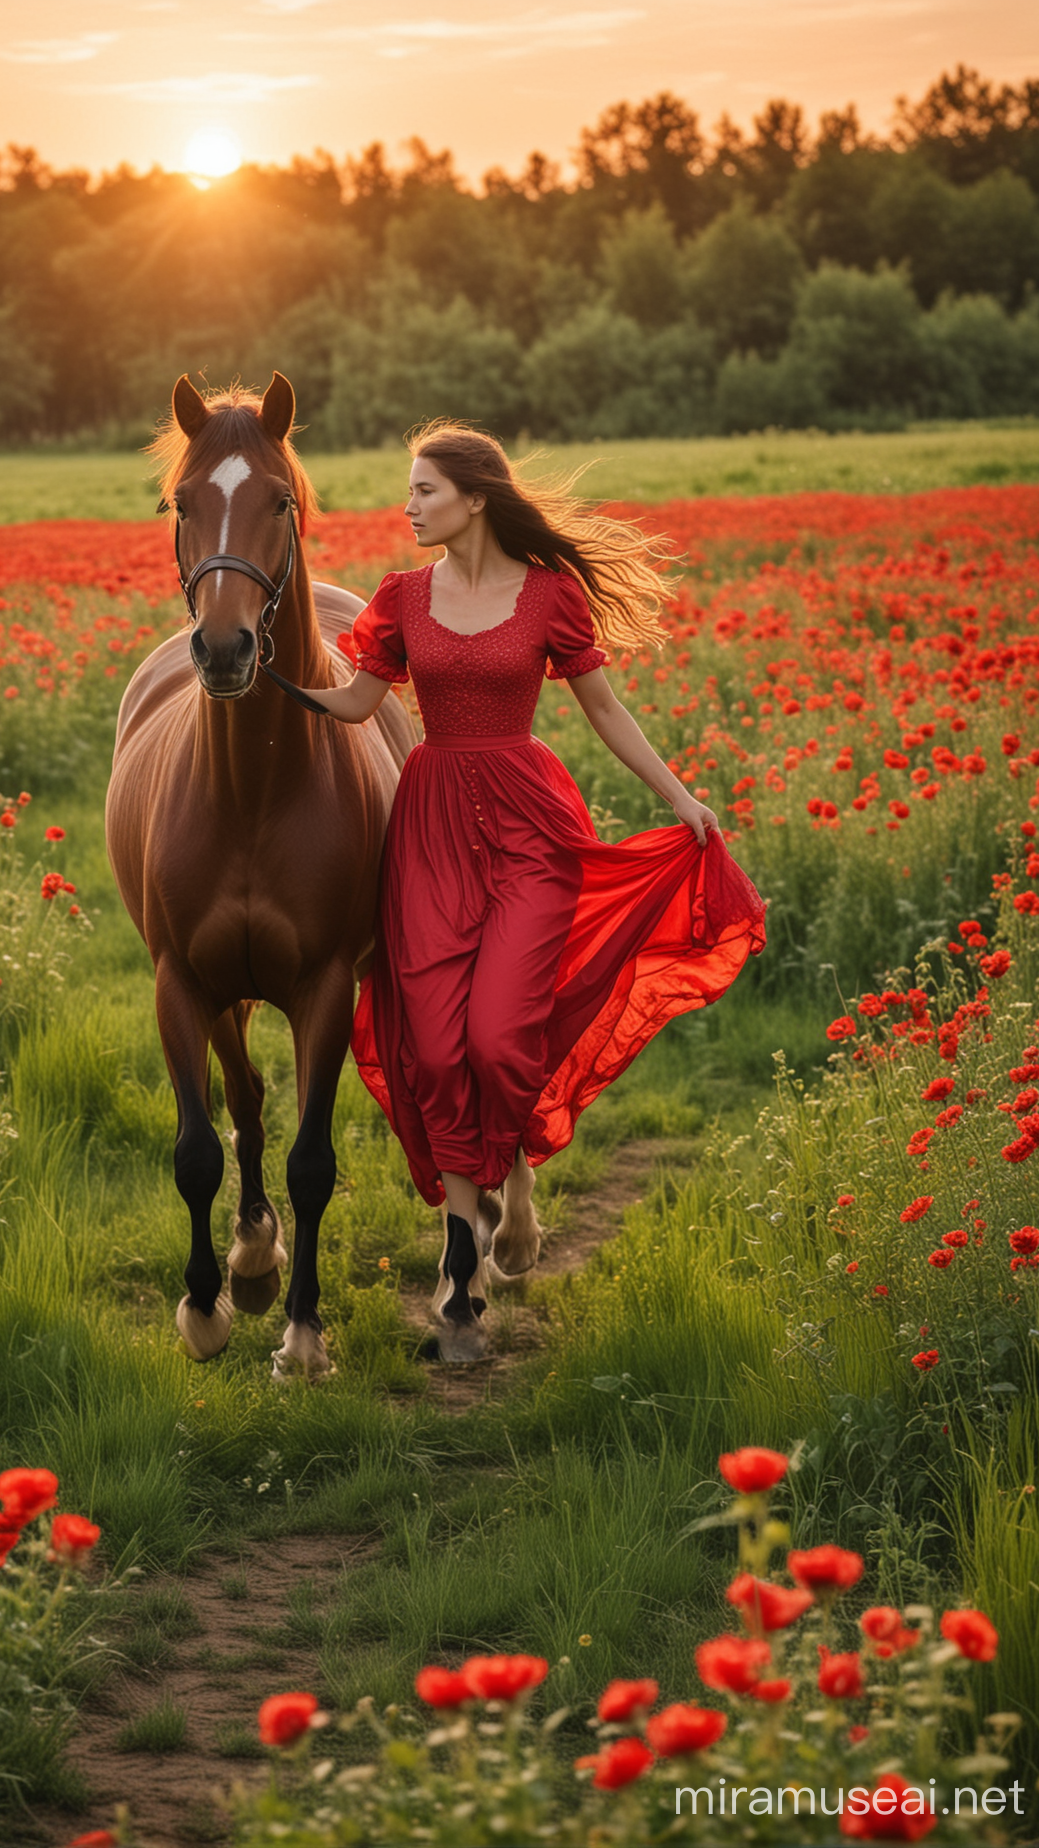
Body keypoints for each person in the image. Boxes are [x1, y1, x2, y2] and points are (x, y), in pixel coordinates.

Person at [297, 425, 766, 1357]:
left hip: (529, 828)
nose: (408, 507)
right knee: (432, 1044)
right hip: (429, 829)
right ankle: (462, 1260)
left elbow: (603, 708)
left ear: (474, 498)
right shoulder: (401, 598)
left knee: (500, 1034)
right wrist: (269, 673)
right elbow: (356, 703)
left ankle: (504, 1199)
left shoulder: (550, 596)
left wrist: (679, 798)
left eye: (423, 490)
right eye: (409, 490)